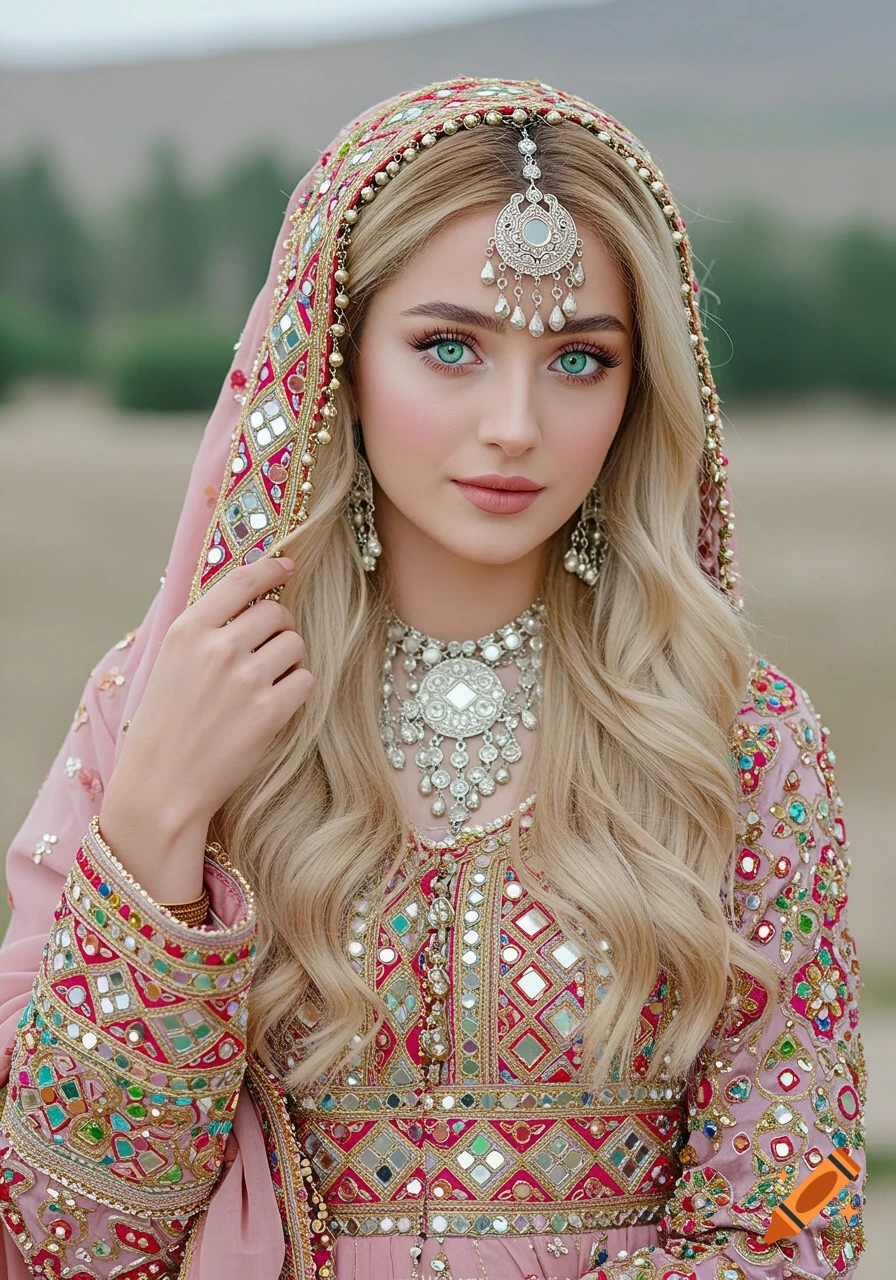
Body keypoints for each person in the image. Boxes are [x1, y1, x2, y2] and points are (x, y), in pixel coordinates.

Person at [0, 76, 867, 1280]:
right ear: (334, 356)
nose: (514, 422)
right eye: (448, 346)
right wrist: (150, 830)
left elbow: (787, 1221)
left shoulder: (734, 736)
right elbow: (66, 1236)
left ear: (638, 391)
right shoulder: (172, 702)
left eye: (577, 358)